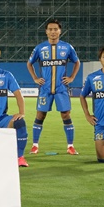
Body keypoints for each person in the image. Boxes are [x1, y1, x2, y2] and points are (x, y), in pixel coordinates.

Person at [26, 19, 81, 155]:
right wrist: (35, 78)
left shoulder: (67, 47)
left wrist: (72, 77)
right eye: (50, 29)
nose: (53, 32)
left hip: (61, 88)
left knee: (66, 114)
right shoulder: (40, 48)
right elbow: (29, 63)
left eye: (55, 29)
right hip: (45, 88)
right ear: (46, 31)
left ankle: (70, 146)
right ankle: (35, 145)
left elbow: (77, 62)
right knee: (40, 114)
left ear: (60, 31)